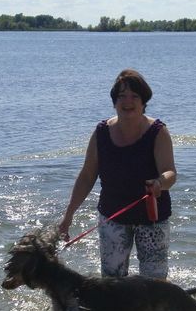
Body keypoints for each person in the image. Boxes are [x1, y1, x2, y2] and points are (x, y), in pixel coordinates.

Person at [59, 69, 177, 278]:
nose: (127, 102)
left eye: (134, 96)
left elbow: (170, 173)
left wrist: (160, 182)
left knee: (155, 284)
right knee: (112, 283)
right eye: (121, 96)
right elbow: (87, 177)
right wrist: (68, 216)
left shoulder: (158, 132)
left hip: (152, 218)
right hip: (113, 215)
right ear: (114, 102)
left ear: (143, 102)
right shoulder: (101, 132)